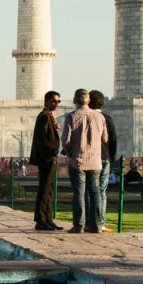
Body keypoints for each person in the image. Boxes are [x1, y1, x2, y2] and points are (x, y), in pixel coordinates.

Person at [62, 91, 108, 234]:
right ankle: (96, 225)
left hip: (78, 161)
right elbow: (105, 138)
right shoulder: (100, 116)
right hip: (95, 161)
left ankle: (79, 226)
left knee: (79, 194)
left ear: (74, 100)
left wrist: (70, 152)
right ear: (88, 101)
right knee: (95, 192)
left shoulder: (71, 116)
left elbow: (65, 140)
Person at [29, 91, 62, 230]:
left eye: (58, 101)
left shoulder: (49, 116)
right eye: (54, 101)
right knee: (44, 190)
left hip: (49, 158)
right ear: (47, 101)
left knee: (49, 191)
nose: (56, 104)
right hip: (46, 158)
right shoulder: (44, 116)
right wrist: (51, 152)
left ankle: (48, 219)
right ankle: (41, 220)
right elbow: (42, 140)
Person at [87, 90, 117, 230]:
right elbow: (113, 139)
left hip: (89, 158)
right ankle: (101, 223)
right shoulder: (107, 118)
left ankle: (89, 221)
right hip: (104, 158)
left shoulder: (85, 117)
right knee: (101, 191)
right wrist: (112, 157)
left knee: (89, 191)